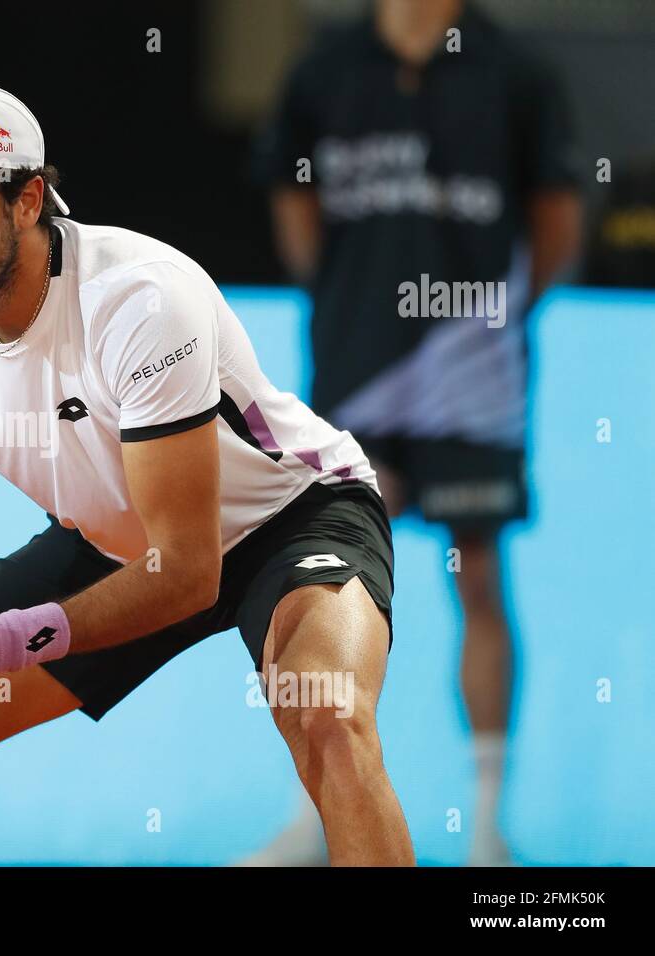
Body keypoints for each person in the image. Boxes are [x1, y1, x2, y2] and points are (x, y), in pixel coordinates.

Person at [0, 80, 414, 866]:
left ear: (29, 200)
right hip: (111, 548)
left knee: (329, 718)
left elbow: (187, 571)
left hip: (289, 520)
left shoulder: (140, 299)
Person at [252, 0, 582, 865]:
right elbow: (294, 202)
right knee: (325, 581)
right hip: (355, 370)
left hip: (473, 379)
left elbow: (556, 218)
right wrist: (345, 305)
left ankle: (486, 832)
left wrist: (487, 330)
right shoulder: (326, 67)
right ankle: (313, 821)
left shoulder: (515, 70)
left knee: (477, 576)